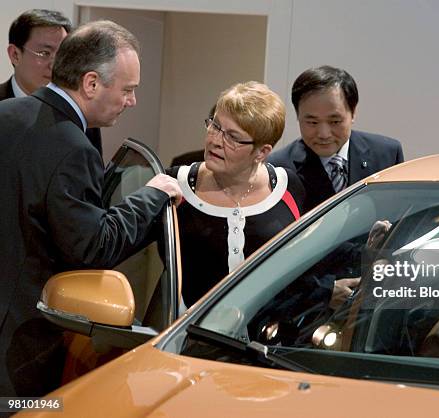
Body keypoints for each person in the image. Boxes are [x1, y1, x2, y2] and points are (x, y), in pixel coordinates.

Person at [0, 20, 182, 397]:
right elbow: (92, 247)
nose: (131, 101)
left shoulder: (7, 114)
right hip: (17, 351)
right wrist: (152, 194)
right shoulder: (72, 148)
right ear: (91, 84)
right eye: (128, 89)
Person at [168, 81, 304, 307]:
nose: (215, 140)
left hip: (265, 337)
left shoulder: (287, 186)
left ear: (262, 151)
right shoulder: (174, 185)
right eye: (215, 126)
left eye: (232, 137)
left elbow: (301, 262)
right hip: (187, 334)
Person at [268, 65, 404, 212]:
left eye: (335, 122)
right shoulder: (278, 168)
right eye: (312, 122)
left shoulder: (387, 155)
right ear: (297, 115)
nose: (324, 134)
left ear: (353, 113)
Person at [1, 9, 103, 157]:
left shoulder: (80, 113)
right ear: (15, 55)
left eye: (62, 54)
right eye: (45, 53)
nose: (55, 65)